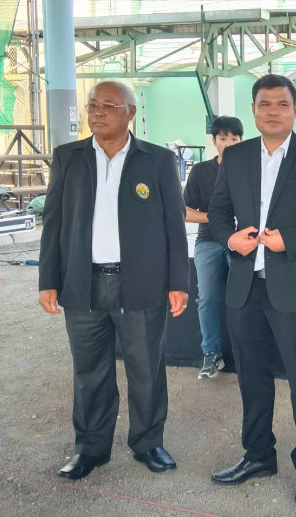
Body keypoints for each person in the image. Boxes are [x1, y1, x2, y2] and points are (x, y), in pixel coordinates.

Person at [207, 74, 296, 504]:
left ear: (294, 110)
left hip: (295, 288)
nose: (273, 111)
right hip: (244, 286)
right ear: (253, 110)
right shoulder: (236, 157)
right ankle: (258, 456)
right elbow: (218, 211)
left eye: (282, 104)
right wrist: (229, 238)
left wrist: (291, 240)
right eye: (264, 104)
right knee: (251, 378)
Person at [38, 80, 189, 480]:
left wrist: (178, 282)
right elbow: (53, 223)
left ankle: (148, 442)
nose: (98, 112)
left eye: (108, 105)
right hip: (82, 285)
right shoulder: (68, 158)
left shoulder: (157, 160)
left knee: (146, 368)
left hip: (140, 284)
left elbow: (174, 226)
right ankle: (89, 448)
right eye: (93, 105)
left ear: (130, 113)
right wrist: (48, 279)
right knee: (89, 372)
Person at [184, 115, 243, 379]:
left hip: (243, 241)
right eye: (223, 138)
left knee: (246, 297)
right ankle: (211, 353)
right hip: (208, 241)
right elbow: (184, 211)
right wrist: (215, 218)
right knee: (207, 297)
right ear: (214, 141)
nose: (229, 144)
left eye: (234, 139)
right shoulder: (201, 171)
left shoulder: (252, 171)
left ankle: (247, 352)